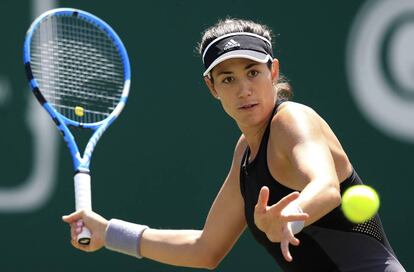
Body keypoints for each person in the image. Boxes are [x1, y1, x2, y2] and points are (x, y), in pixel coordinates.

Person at [63, 18, 406, 271]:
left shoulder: (293, 120)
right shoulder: (245, 153)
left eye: (253, 72)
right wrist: (109, 233)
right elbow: (205, 249)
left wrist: (289, 219)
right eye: (228, 79)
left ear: (273, 72)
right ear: (212, 87)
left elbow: (327, 187)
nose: (243, 89)